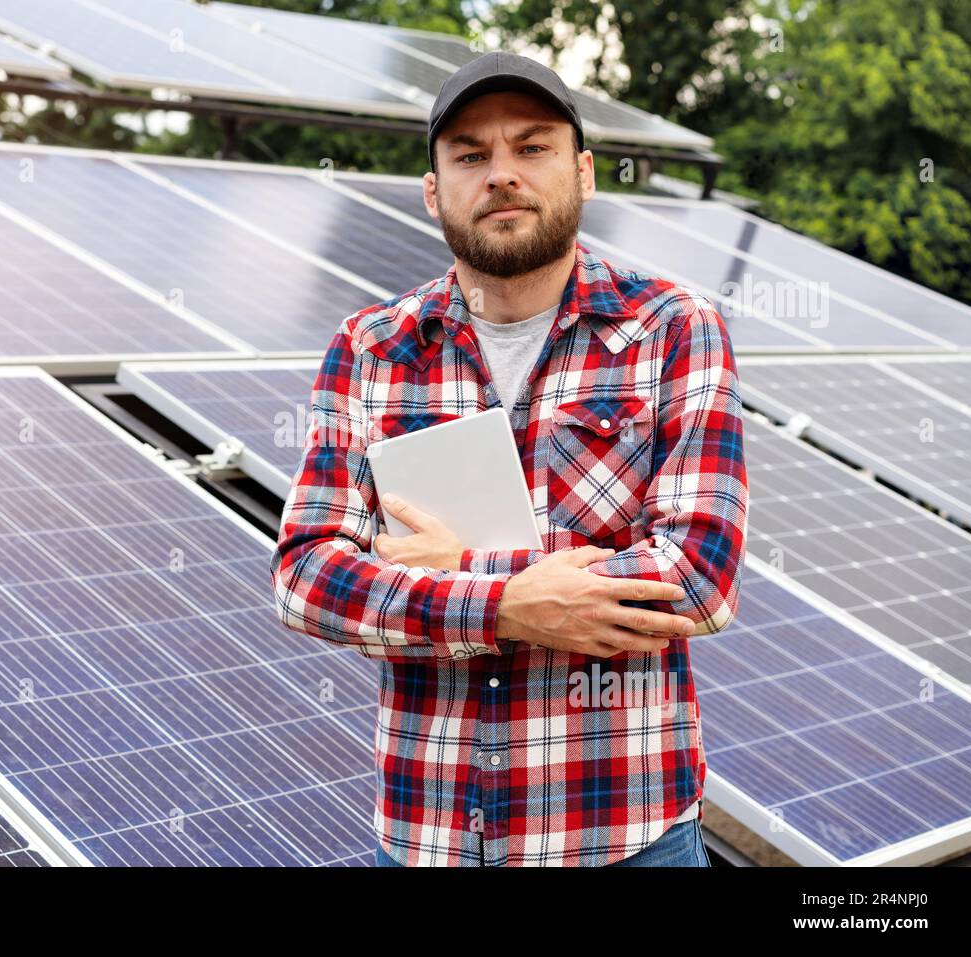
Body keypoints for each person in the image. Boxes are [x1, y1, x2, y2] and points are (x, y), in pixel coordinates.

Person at [270, 51, 747, 867]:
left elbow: (698, 580)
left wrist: (461, 571)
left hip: (626, 837)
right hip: (432, 836)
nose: (502, 174)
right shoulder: (371, 349)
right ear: (433, 190)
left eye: (532, 147)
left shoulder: (673, 328)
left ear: (583, 171)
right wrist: (505, 604)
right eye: (469, 155)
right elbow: (307, 578)